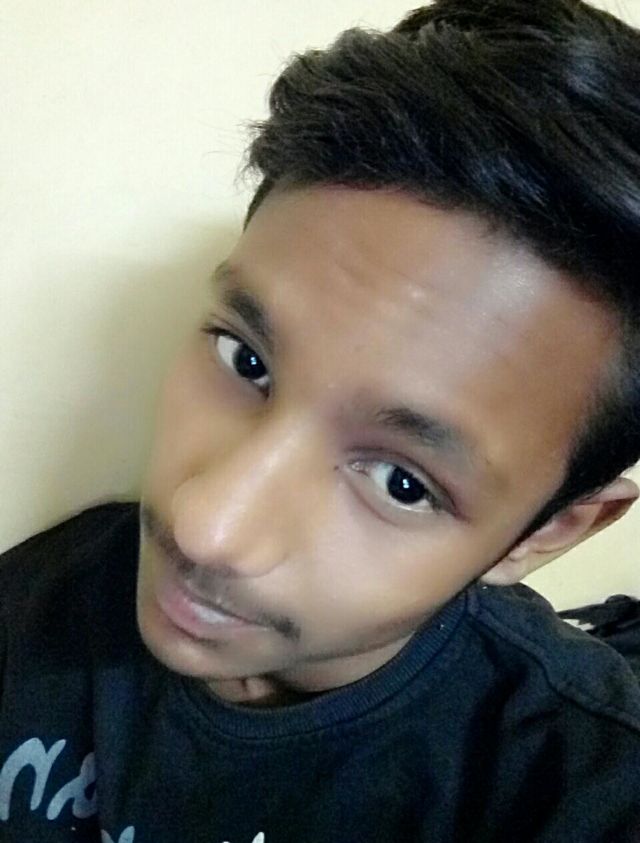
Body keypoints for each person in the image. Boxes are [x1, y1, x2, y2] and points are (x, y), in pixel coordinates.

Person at [1, 0, 639, 839]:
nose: (204, 526)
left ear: (552, 529)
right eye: (246, 360)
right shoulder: (48, 592)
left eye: (401, 481)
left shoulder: (571, 784)